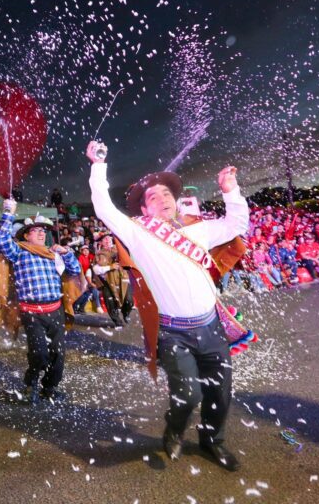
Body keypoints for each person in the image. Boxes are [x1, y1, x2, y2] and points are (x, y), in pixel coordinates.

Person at [87, 139, 249, 471]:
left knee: (220, 394)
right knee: (188, 396)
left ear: (175, 202)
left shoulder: (198, 231)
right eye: (153, 197)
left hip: (210, 327)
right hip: (173, 334)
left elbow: (236, 226)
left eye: (166, 195)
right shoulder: (136, 233)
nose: (162, 200)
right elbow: (103, 207)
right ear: (143, 210)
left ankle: (211, 441)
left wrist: (230, 190)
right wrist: (98, 165)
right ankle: (173, 432)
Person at [0, 201, 81, 404]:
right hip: (32, 313)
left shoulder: (53, 254)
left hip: (55, 310)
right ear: (26, 236)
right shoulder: (19, 252)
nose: (42, 234)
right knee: (40, 354)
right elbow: (1, 241)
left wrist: (67, 253)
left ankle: (50, 388)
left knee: (58, 355)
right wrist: (9, 212)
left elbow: (75, 271)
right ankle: (31, 383)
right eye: (36, 231)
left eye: (43, 231)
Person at [92, 234, 133, 327]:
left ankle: (126, 313)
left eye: (109, 238)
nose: (107, 240)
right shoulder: (99, 254)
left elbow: (128, 259)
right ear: (101, 242)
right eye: (104, 239)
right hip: (107, 281)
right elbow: (96, 270)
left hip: (123, 279)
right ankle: (117, 321)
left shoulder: (119, 249)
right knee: (110, 302)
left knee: (129, 301)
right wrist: (110, 267)